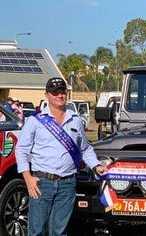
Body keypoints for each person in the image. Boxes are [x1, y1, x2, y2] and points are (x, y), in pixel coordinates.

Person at [16, 77, 106, 236]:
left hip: (67, 184)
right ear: (47, 95)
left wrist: (96, 165)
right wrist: (28, 178)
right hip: (41, 183)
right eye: (55, 92)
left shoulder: (75, 120)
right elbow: (21, 150)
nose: (60, 95)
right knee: (36, 231)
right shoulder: (35, 121)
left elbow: (84, 148)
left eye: (62, 91)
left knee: (59, 232)